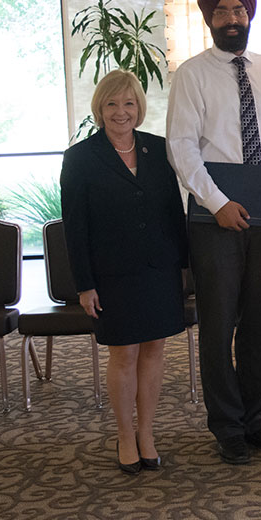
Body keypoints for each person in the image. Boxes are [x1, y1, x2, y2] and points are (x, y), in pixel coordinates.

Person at [166, 0, 261, 465]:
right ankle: (227, 426)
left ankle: (255, 420)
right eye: (222, 11)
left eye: (239, 11)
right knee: (219, 322)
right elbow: (181, 147)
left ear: (250, 16)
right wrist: (216, 202)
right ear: (209, 19)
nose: (232, 19)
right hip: (214, 215)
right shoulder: (192, 75)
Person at [60, 69, 187, 474]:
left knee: (154, 350)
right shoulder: (80, 158)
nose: (121, 111)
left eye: (129, 103)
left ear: (139, 108)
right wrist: (84, 285)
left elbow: (173, 212)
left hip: (159, 270)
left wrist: (184, 268)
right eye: (112, 103)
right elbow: (75, 227)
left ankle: (146, 432)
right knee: (124, 353)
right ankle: (125, 434)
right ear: (100, 108)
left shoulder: (158, 149)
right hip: (112, 275)